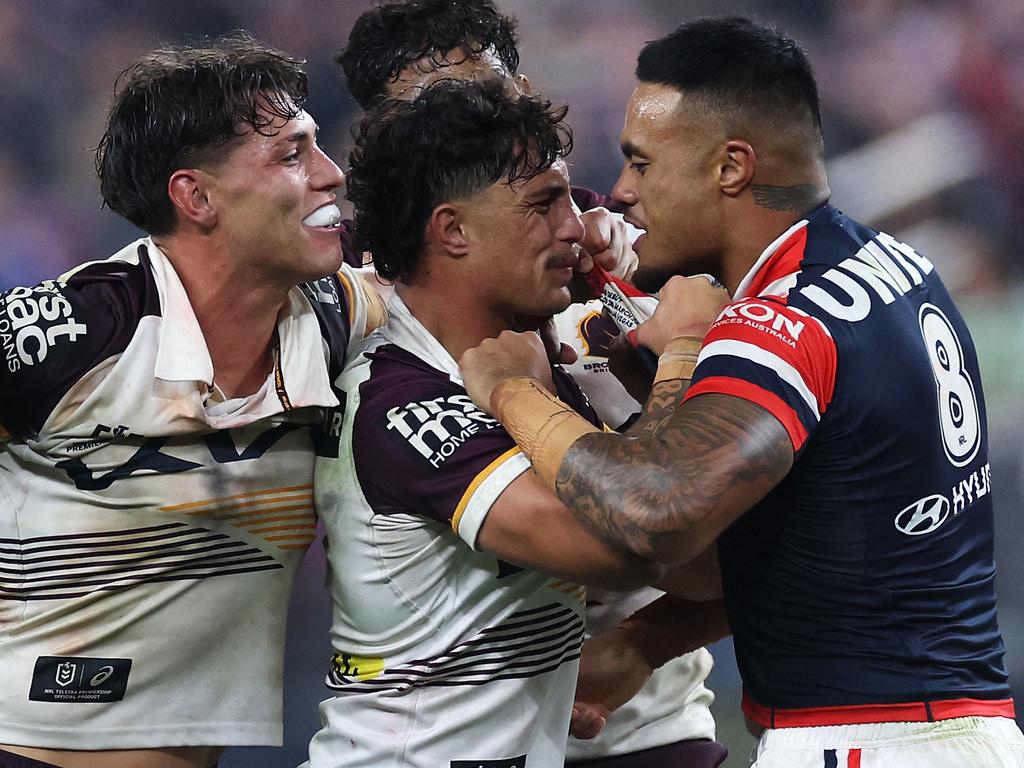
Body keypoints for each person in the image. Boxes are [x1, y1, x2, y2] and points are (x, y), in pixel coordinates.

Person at [459, 15, 1024, 768]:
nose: (622, 192)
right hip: (956, 729)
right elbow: (817, 541)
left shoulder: (780, 319)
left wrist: (514, 390)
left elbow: (654, 514)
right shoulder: (895, 266)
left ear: (730, 167)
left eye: (643, 162)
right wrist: (650, 640)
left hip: (864, 737)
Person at [335, 4, 728, 765]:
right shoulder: (380, 352)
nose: (573, 223)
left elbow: (747, 539)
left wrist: (652, 641)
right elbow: (645, 535)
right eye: (425, 110)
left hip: (645, 727)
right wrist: (677, 359)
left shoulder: (626, 277)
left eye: (481, 96)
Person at [0, 33, 382, 768]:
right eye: (292, 155)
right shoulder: (73, 334)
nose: (332, 175)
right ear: (196, 196)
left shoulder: (341, 313)